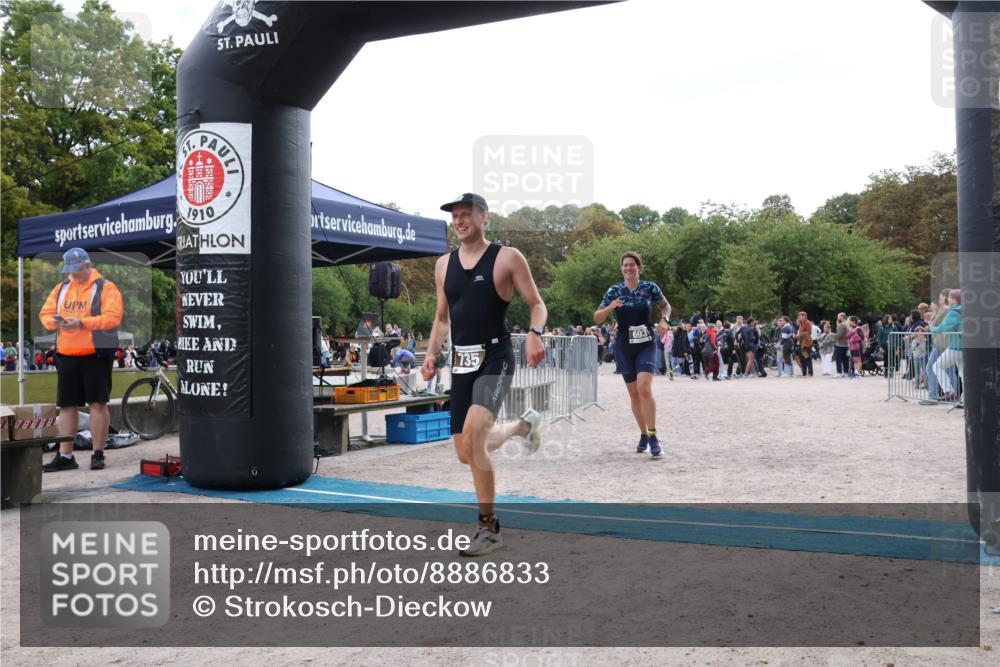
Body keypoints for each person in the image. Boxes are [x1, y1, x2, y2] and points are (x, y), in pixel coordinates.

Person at [420, 193, 546, 557]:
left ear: (484, 217)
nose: (459, 221)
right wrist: (431, 354)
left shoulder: (507, 258)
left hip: (496, 356)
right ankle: (523, 427)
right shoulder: (443, 265)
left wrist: (535, 334)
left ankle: (488, 527)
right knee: (465, 451)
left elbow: (537, 304)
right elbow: (443, 317)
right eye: (455, 216)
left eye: (466, 215)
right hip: (461, 362)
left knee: (474, 439)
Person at [38, 248, 122, 472]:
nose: (73, 275)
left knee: (97, 403)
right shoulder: (61, 288)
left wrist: (82, 323)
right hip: (66, 354)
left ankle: (98, 453)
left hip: (95, 353)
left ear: (88, 265)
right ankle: (65, 455)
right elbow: (44, 315)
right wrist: (55, 322)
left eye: (77, 271)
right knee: (66, 405)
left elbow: (113, 318)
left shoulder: (106, 287)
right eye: (70, 271)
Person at [594, 251, 671, 456]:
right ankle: (643, 434)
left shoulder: (649, 287)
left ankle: (653, 436)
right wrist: (610, 307)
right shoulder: (615, 290)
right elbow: (597, 318)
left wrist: (665, 320)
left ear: (639, 267)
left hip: (646, 343)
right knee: (634, 394)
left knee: (644, 388)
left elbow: (666, 306)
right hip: (624, 346)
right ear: (622, 268)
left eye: (632, 265)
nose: (628, 268)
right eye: (625, 265)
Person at [931, 289, 963, 402]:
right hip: (966, 347)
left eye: (950, 297)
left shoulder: (954, 312)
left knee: (937, 366)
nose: (948, 299)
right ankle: (965, 400)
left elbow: (944, 326)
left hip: (956, 346)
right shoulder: (965, 310)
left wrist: (932, 329)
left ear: (954, 299)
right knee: (963, 374)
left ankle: (949, 391)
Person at [795, 312, 814, 377]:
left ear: (804, 316)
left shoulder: (807, 323)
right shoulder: (801, 323)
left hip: (806, 342)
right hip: (801, 342)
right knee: (802, 358)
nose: (799, 317)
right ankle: (804, 373)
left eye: (800, 316)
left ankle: (810, 372)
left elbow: (809, 332)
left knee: (807, 357)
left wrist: (799, 335)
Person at [833, 312, 850, 377]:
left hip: (840, 344)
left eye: (838, 316)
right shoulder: (847, 324)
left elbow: (838, 335)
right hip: (846, 344)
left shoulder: (841, 325)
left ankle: (839, 372)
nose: (837, 318)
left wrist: (832, 334)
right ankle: (845, 372)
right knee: (845, 359)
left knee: (838, 358)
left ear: (842, 317)